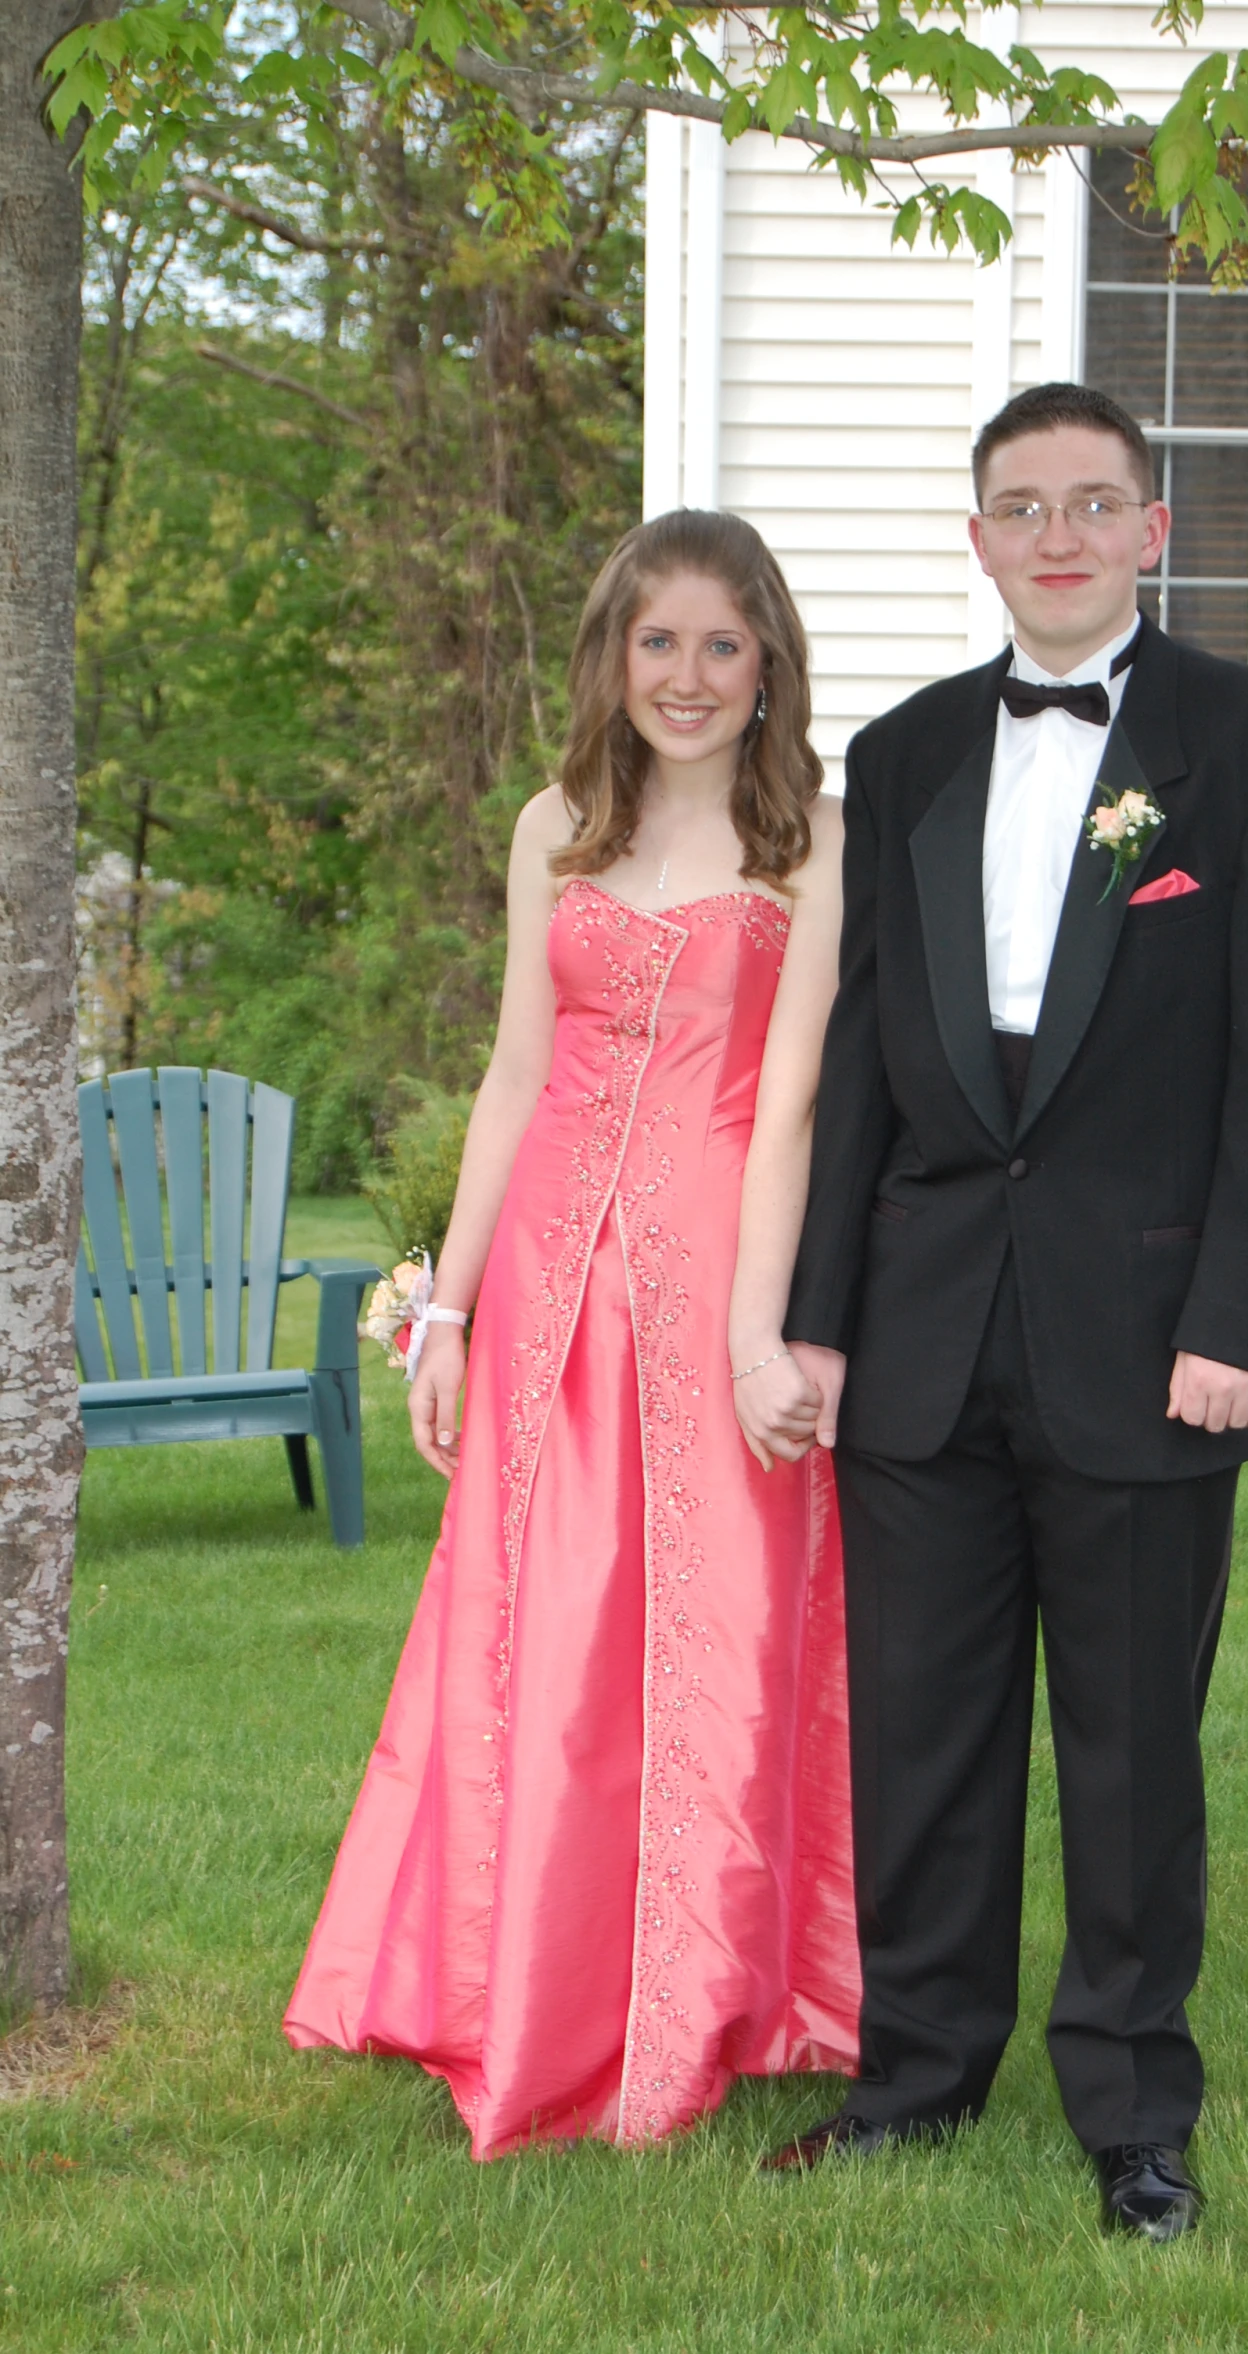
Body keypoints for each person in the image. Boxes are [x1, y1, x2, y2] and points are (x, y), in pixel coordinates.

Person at [767, 383, 1248, 2238]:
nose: (1059, 536)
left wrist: (1241, 1323)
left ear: (1154, 528)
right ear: (977, 540)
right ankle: (918, 2077)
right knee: (925, 1738)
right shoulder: (910, 749)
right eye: (1022, 507)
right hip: (924, 1336)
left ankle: (1131, 2111)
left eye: (1094, 503)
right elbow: (864, 1059)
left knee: (1127, 1748)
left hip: (1152, 1335)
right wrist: (817, 1316)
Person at [285, 510, 860, 2155]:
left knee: (715, 1634)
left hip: (717, 1268)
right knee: (542, 1636)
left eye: (721, 644)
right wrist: (449, 1306)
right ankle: (515, 1987)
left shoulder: (812, 842)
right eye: (655, 640)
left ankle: (702, 2004)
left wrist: (766, 1329)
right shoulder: (556, 824)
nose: (685, 676)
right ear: (614, 655)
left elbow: (799, 1100)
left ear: (768, 667)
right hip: (549, 1285)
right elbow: (515, 1075)